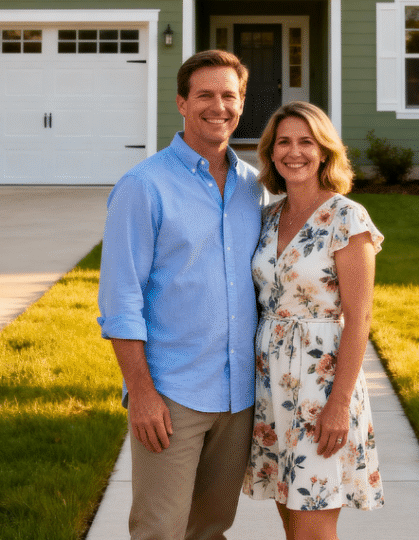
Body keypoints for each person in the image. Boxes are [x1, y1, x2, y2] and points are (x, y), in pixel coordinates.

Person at [97, 50, 264, 540]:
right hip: (172, 397)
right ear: (182, 103)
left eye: (228, 95)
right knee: (160, 531)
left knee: (211, 529)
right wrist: (142, 394)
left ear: (241, 103)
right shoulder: (143, 187)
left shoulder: (254, 188)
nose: (219, 106)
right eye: (205, 95)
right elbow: (120, 303)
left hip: (238, 397)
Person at [243, 101, 384, 540]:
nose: (294, 152)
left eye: (307, 142)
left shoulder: (347, 217)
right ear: (270, 153)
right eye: (283, 141)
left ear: (324, 152)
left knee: (313, 526)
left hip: (320, 387)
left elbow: (359, 317)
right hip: (270, 383)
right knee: (290, 513)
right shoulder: (269, 217)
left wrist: (339, 404)